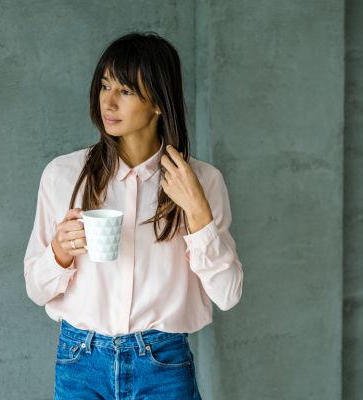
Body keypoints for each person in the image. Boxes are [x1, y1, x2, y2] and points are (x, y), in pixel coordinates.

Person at [23, 31, 243, 399]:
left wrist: (198, 212)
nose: (108, 102)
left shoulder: (203, 180)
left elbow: (228, 294)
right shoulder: (63, 175)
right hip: (80, 362)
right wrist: (59, 253)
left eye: (124, 91)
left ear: (158, 102)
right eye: (105, 86)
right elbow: (35, 288)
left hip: (162, 363)